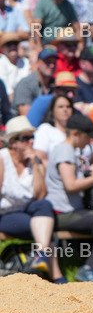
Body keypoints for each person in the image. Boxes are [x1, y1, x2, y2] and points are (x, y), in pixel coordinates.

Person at [43, 113, 93, 283]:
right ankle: (90, 269)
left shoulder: (69, 150)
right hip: (62, 213)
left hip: (69, 211)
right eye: (88, 137)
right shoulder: (64, 150)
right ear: (75, 133)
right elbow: (71, 185)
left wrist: (91, 173)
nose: (90, 142)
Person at [0, 116, 63, 281]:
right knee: (44, 229)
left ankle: (41, 255)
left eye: (31, 137)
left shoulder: (34, 160)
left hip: (28, 209)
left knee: (44, 205)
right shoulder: (2, 158)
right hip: (5, 212)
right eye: (25, 138)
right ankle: (56, 277)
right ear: (13, 142)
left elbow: (40, 194)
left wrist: (35, 164)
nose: (30, 141)